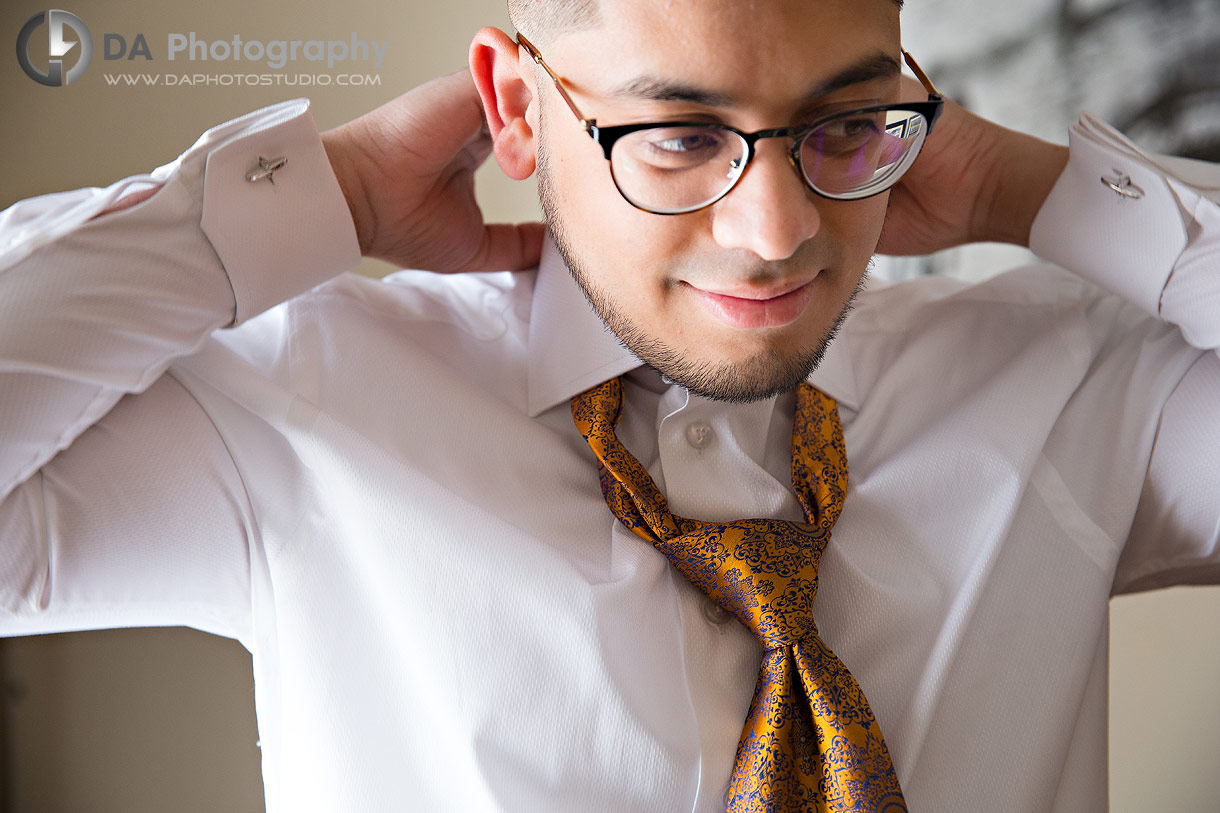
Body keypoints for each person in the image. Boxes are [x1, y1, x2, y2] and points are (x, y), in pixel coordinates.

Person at [2, 0, 1218, 810]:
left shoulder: (1074, 390)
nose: (777, 231)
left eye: (843, 123)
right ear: (519, 111)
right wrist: (336, 192)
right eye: (681, 135)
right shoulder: (303, 409)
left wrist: (1040, 189)